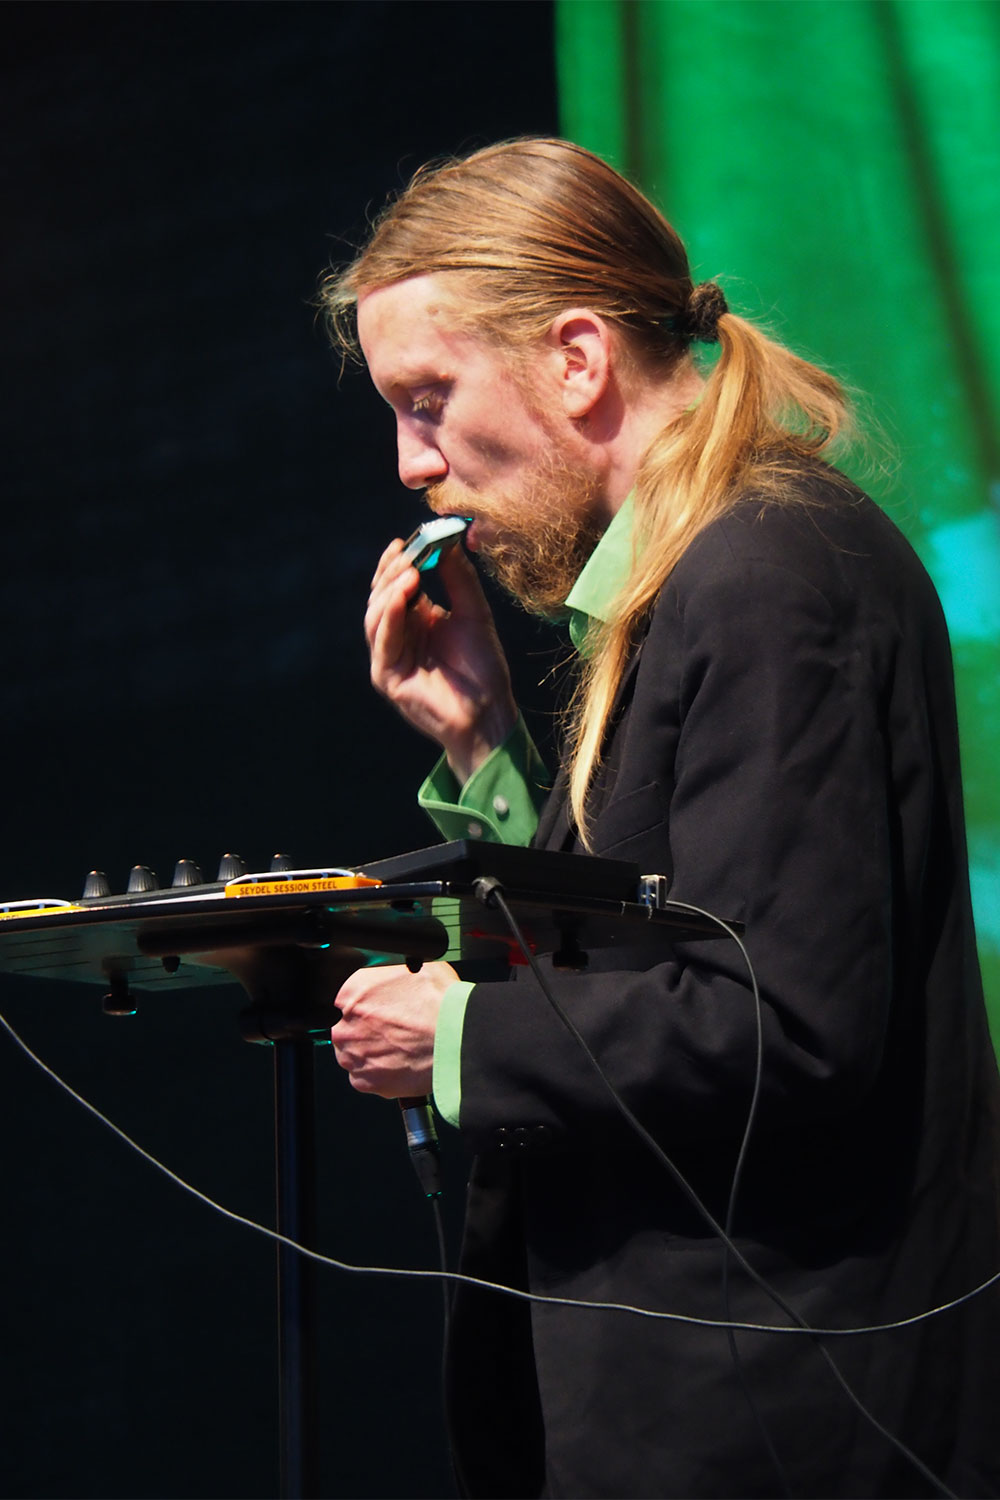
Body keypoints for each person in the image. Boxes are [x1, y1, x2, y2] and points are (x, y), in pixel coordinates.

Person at [320, 139, 1000, 1499]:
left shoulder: (763, 572)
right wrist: (483, 744)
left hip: (779, 1416)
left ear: (577, 359)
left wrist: (457, 1033)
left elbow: (782, 1020)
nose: (411, 462)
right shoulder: (711, 572)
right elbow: (657, 933)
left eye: (430, 399)